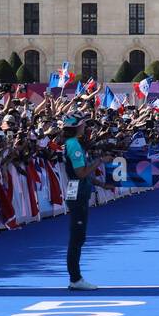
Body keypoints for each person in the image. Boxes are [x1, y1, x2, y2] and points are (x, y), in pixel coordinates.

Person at [61, 113, 99, 290]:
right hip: (77, 194)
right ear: (76, 127)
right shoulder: (74, 144)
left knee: (79, 237)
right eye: (83, 124)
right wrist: (100, 161)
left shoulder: (72, 143)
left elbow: (83, 175)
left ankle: (75, 278)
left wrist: (101, 183)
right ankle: (75, 279)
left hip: (77, 191)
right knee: (77, 237)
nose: (85, 127)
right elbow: (81, 173)